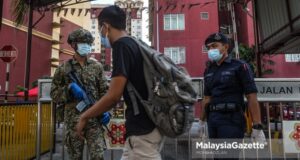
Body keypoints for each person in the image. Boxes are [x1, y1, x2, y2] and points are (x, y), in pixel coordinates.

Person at [76, 5, 162, 160]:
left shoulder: (121, 46)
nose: (101, 34)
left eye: (100, 29)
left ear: (106, 26)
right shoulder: (135, 43)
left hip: (142, 130)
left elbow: (113, 96)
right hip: (144, 127)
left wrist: (85, 116)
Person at [200, 33, 266, 159]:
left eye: (214, 46)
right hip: (213, 120)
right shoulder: (209, 70)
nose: (210, 50)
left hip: (231, 120)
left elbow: (251, 96)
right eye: (208, 48)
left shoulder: (240, 66)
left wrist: (257, 125)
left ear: (225, 47)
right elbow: (207, 98)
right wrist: (201, 122)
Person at [50, 28, 109, 160]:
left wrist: (106, 111)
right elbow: (54, 94)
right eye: (82, 42)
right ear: (73, 45)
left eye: (88, 43)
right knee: (75, 157)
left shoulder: (97, 67)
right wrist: (69, 89)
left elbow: (105, 92)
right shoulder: (64, 68)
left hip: (94, 119)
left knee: (98, 156)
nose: (86, 45)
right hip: (73, 122)